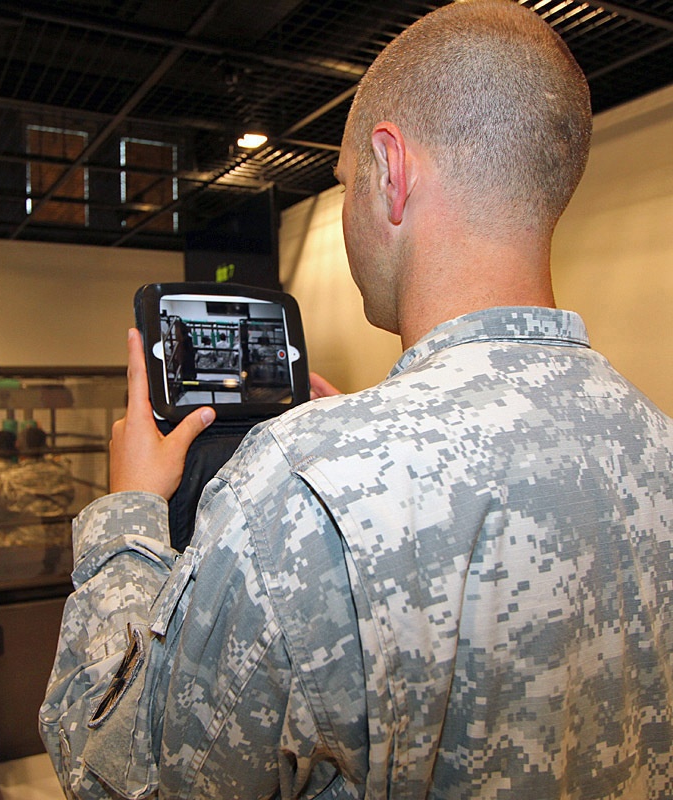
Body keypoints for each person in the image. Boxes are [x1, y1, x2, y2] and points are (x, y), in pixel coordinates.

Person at [39, 2, 673, 798]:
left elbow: (119, 779)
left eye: (343, 187)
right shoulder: (657, 447)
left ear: (390, 171)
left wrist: (128, 513)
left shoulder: (301, 488)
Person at [0, 425, 75, 574]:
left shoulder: (9, 478)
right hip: (59, 538)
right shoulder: (62, 472)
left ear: (18, 446)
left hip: (21, 541)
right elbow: (70, 497)